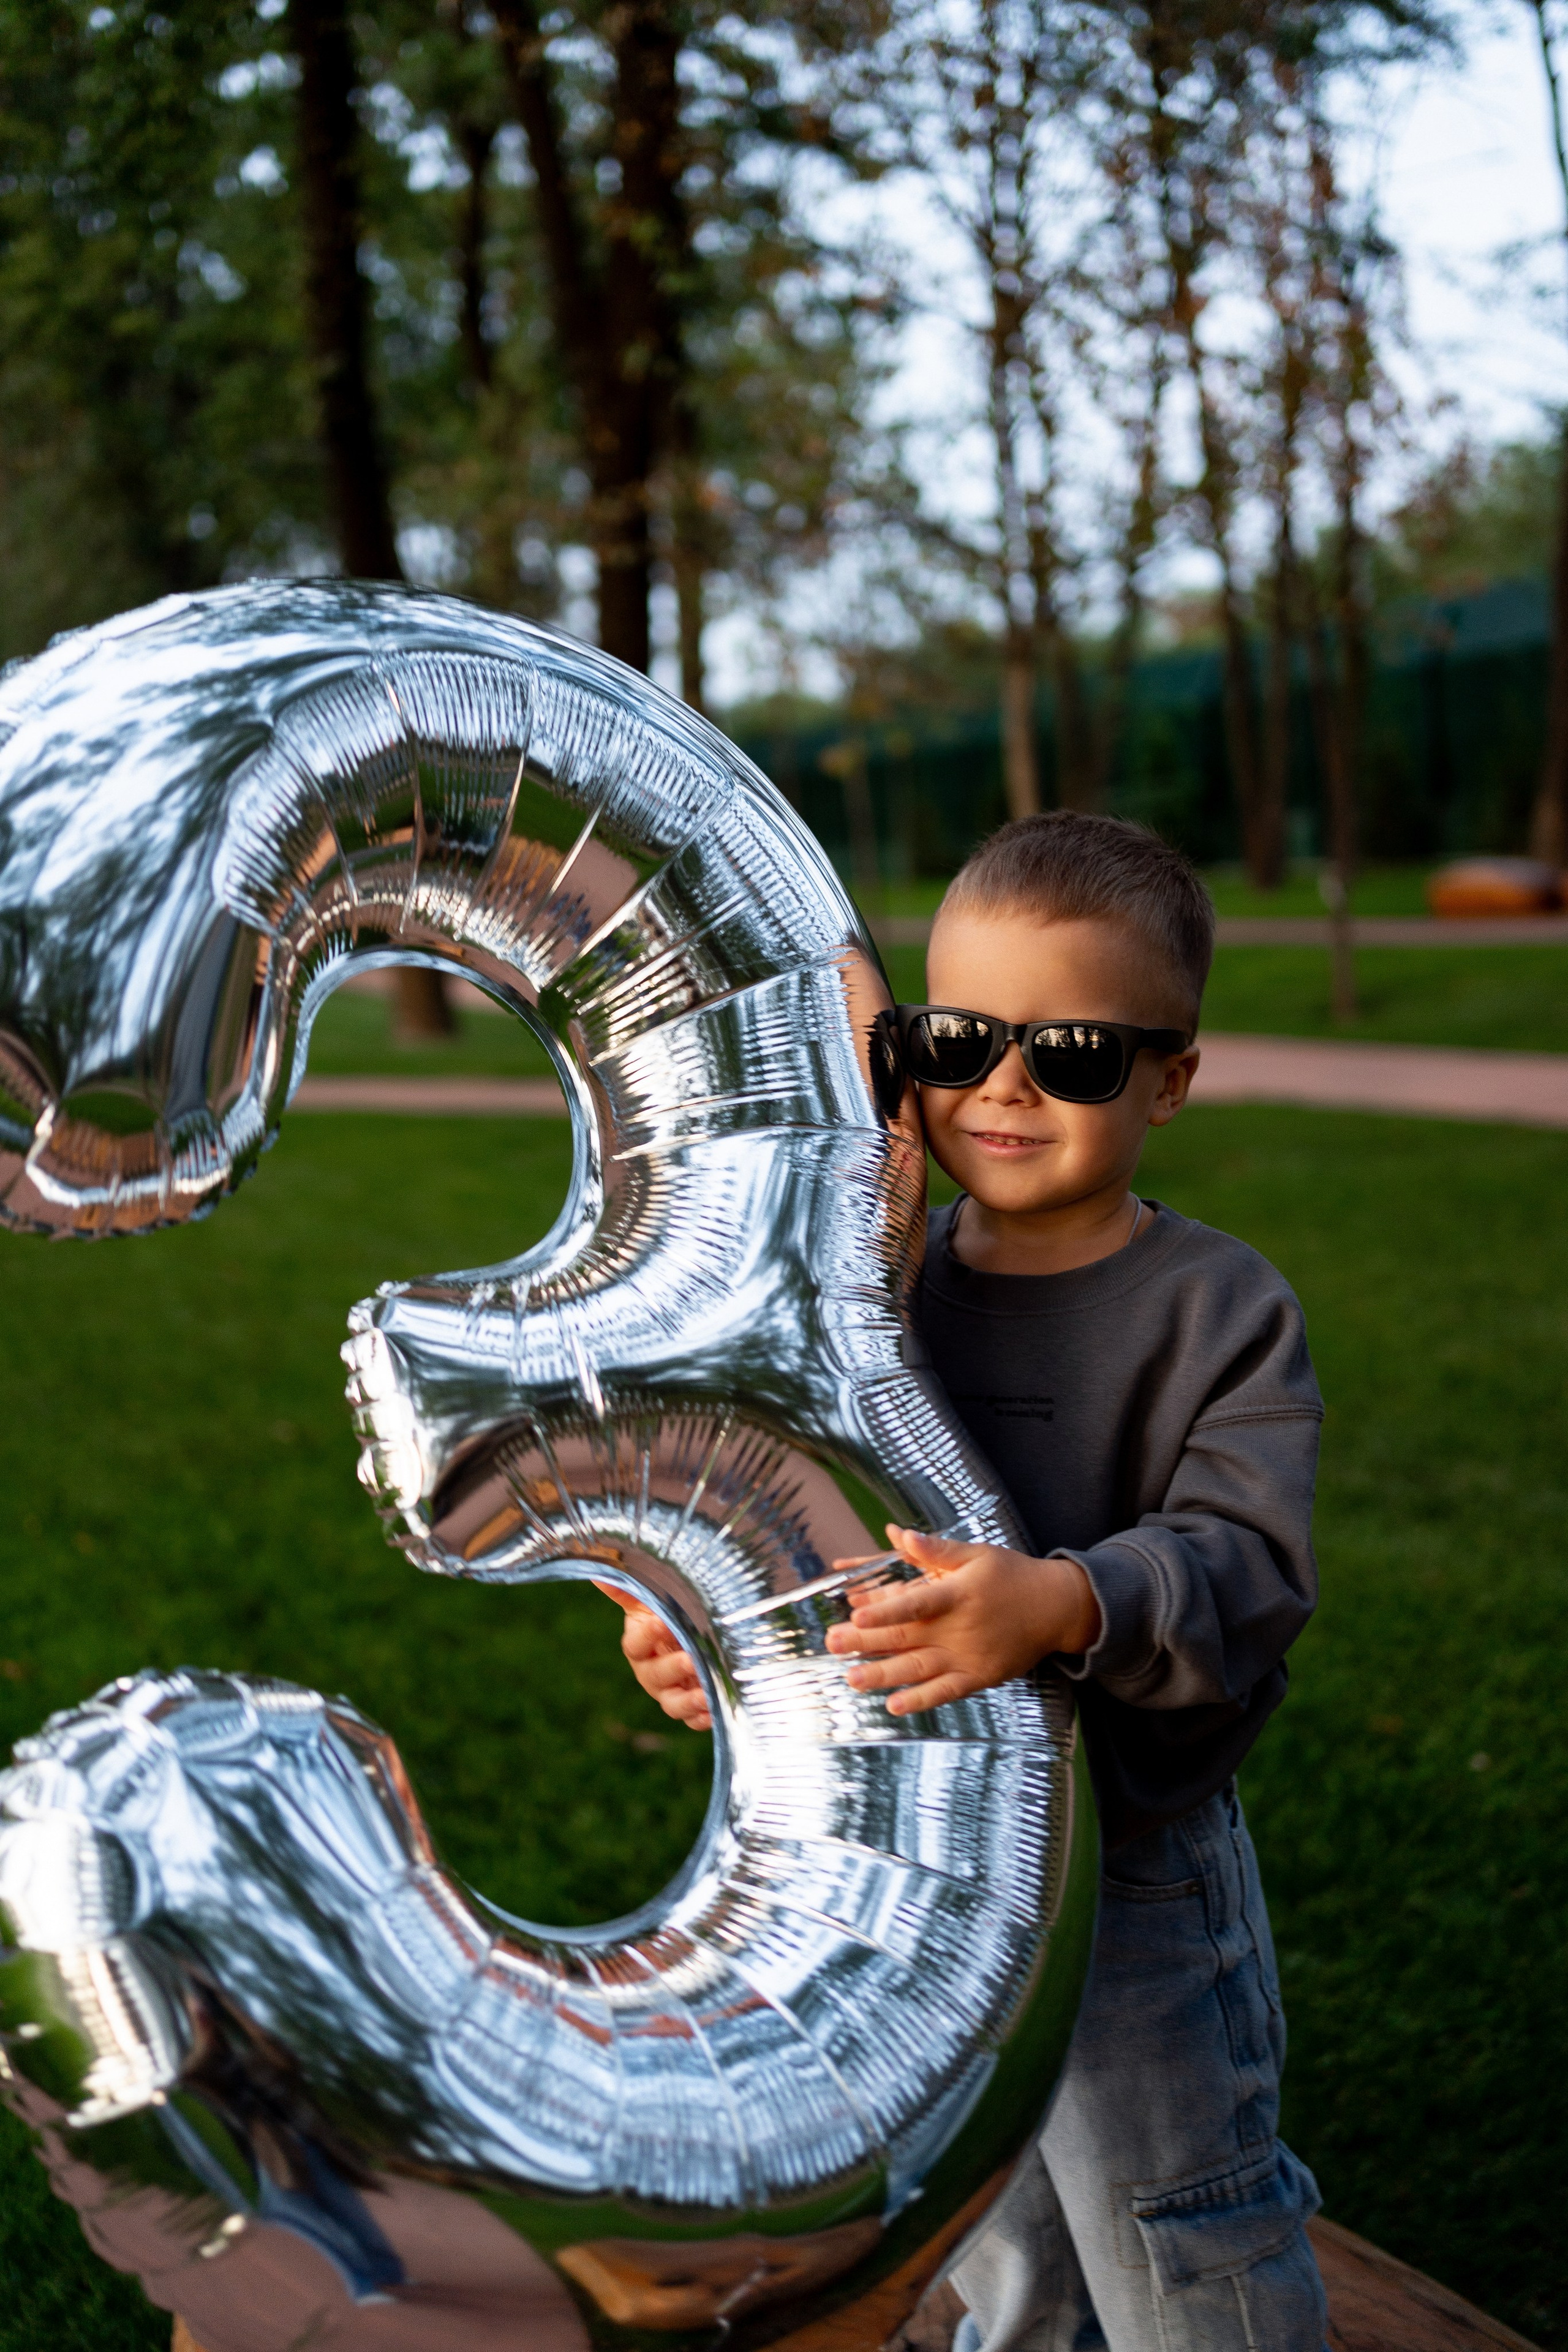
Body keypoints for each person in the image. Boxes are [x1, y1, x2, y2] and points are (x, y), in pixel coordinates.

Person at [612, 810, 1328, 2352]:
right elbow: (795, 1524)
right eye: (956, 1038)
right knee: (994, 2230)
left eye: (1071, 1051)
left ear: (1168, 1078)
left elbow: (1249, 1568)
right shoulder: (873, 1291)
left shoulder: (1216, 1310)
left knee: (1175, 2232)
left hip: (1125, 1875)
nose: (1001, 1084)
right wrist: (709, 1645)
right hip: (923, 1876)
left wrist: (1061, 1602)